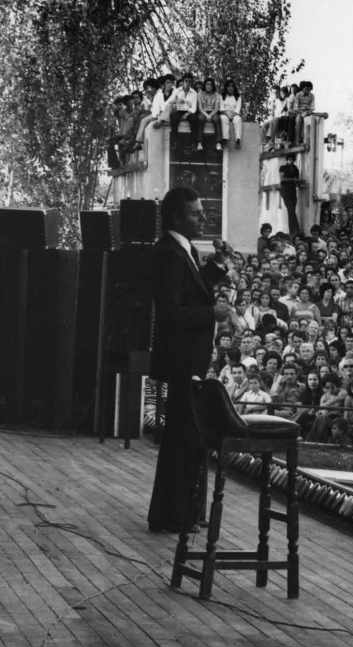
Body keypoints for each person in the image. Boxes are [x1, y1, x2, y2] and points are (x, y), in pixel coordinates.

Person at [147, 186, 230, 534]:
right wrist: (213, 313)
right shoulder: (168, 253)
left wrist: (218, 267)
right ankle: (172, 515)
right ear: (179, 216)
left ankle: (181, 511)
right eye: (196, 213)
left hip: (191, 361)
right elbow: (171, 312)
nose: (203, 218)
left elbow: (190, 288)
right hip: (180, 361)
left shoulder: (187, 251)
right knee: (182, 439)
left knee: (185, 437)